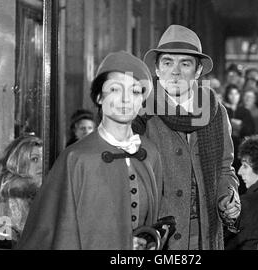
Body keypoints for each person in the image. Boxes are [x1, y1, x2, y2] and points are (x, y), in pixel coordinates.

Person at [17, 52, 163, 250]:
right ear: (98, 97)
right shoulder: (76, 158)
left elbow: (156, 217)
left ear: (142, 102)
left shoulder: (150, 153)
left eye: (135, 92)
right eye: (115, 89)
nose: (126, 99)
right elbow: (56, 233)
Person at [133, 25, 240, 250]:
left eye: (185, 63)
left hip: (205, 231)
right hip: (159, 235)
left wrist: (227, 197)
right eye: (168, 62)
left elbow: (224, 167)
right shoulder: (140, 112)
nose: (175, 71)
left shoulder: (215, 111)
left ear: (198, 70)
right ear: (157, 68)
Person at [0, 134, 43, 249]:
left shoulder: (40, 195)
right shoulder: (8, 201)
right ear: (18, 164)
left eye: (43, 159)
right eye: (34, 159)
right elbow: (2, 243)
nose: (41, 165)